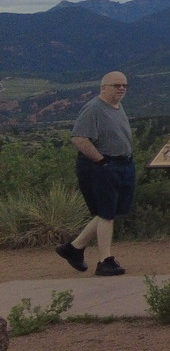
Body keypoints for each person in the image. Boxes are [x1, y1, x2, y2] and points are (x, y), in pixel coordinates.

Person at [55, 71, 135, 276]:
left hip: (121, 164)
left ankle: (73, 248)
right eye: (116, 85)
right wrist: (101, 161)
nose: (121, 88)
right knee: (107, 212)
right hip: (101, 165)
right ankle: (105, 261)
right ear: (103, 87)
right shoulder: (93, 109)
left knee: (108, 212)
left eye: (124, 85)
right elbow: (79, 138)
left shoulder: (117, 106)